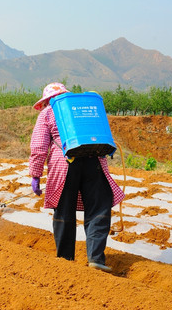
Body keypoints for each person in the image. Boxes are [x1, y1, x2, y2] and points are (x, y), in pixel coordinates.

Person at [28, 83, 125, 273]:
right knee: (98, 209)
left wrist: (35, 175)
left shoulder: (47, 113)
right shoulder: (86, 108)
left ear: (48, 100)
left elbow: (39, 146)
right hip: (94, 161)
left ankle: (65, 259)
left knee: (64, 210)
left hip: (64, 163)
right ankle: (96, 258)